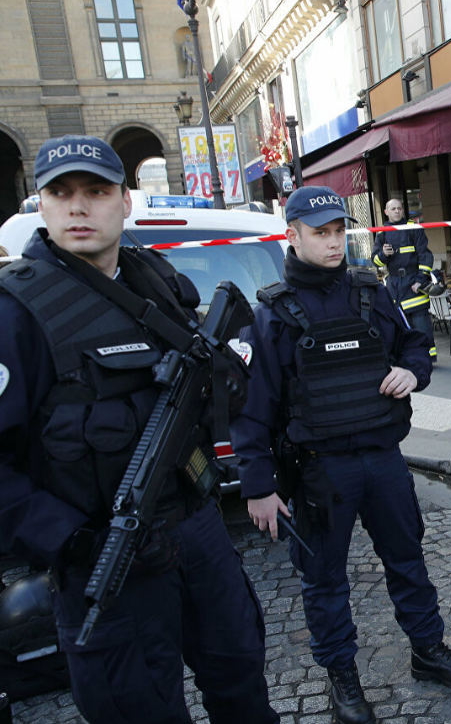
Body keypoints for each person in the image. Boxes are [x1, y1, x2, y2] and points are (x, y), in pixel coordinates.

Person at [0, 135, 276, 723]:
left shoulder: (159, 280)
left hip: (197, 529)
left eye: (96, 192)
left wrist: (223, 379)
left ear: (124, 202)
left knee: (242, 679)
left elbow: (213, 373)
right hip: (105, 550)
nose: (79, 207)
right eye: (62, 193)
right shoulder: (13, 313)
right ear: (40, 204)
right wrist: (71, 540)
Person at [234, 186, 451, 724]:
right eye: (318, 233)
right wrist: (257, 485)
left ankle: (427, 651)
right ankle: (343, 678)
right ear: (292, 235)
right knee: (324, 579)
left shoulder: (370, 291)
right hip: (321, 470)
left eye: (337, 231)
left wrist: (413, 371)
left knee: (407, 560)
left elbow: (415, 342)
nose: (331, 242)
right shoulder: (271, 314)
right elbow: (252, 409)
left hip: (383, 457)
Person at [373, 198, 437, 362]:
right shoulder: (382, 233)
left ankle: (428, 358)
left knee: (421, 324)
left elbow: (425, 255)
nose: (397, 211)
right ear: (386, 212)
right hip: (394, 283)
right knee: (400, 323)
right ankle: (409, 357)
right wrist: (383, 255)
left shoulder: (413, 228)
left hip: (413, 281)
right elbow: (375, 261)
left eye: (399, 208)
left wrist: (421, 279)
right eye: (393, 209)